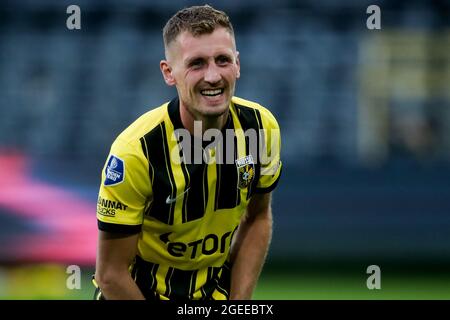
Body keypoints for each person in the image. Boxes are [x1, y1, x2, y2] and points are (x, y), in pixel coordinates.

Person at [94, 4, 282, 300]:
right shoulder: (136, 152)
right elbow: (110, 274)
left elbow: (258, 217)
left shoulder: (261, 128)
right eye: (196, 63)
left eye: (223, 60)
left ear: (238, 64)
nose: (213, 77)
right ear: (169, 73)